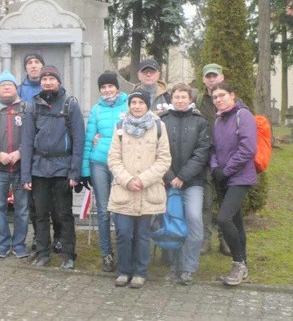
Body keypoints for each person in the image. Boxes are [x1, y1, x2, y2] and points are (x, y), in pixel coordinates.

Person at [21, 65, 84, 269]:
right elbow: (28, 140)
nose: (47, 82)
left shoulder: (70, 104)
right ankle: (42, 254)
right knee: (40, 215)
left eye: (51, 79)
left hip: (62, 168)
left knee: (64, 214)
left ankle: (68, 255)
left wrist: (75, 172)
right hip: (39, 169)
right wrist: (26, 175)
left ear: (59, 81)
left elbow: (78, 140)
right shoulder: (33, 105)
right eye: (44, 79)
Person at [107, 90, 171, 288]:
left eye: (140, 102)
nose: (136, 106)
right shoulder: (119, 127)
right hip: (124, 191)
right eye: (133, 102)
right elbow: (113, 158)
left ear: (147, 105)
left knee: (143, 234)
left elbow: (164, 159)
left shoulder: (159, 127)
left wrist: (143, 180)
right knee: (123, 233)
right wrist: (127, 180)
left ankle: (140, 272)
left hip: (147, 190)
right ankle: (124, 271)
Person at [160, 83, 211, 285]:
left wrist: (182, 176)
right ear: (171, 99)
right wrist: (171, 176)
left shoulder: (200, 122)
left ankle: (188, 267)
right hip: (167, 181)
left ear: (190, 99)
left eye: (184, 97)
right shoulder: (162, 121)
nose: (180, 100)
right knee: (172, 221)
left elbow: (201, 153)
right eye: (176, 97)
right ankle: (174, 265)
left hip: (192, 182)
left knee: (193, 220)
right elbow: (158, 151)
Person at [210, 82, 257, 286]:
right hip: (223, 178)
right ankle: (243, 265)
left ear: (232, 95)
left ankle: (238, 264)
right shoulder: (218, 120)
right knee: (236, 223)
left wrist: (226, 170)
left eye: (222, 95)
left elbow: (248, 149)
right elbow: (213, 149)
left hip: (240, 177)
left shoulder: (243, 115)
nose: (218, 99)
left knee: (223, 218)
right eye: (215, 97)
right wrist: (215, 169)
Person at [81, 71, 128, 272]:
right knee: (103, 210)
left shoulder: (128, 106)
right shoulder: (96, 110)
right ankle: (106, 254)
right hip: (98, 163)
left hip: (121, 165)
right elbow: (89, 139)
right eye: (103, 87)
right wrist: (85, 170)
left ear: (117, 87)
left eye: (110, 86)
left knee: (120, 209)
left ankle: (124, 251)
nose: (107, 90)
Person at [0, 71, 31, 258]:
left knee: (23, 209)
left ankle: (19, 244)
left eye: (10, 84)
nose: (7, 88)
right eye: (3, 85)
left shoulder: (26, 108)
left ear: (16, 88)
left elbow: (32, 135)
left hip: (21, 168)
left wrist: (20, 152)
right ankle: (2, 244)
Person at [18, 53, 62, 252]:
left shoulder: (60, 96)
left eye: (37, 63)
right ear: (26, 68)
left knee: (57, 203)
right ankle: (38, 236)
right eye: (30, 63)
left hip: (54, 156)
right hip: (31, 154)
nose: (33, 66)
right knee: (36, 204)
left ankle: (59, 236)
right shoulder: (19, 90)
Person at [196, 63, 230, 256]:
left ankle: (225, 240)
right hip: (206, 156)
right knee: (206, 202)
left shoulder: (231, 99)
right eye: (208, 76)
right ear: (203, 79)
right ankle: (205, 240)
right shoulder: (198, 100)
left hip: (226, 158)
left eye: (214, 76)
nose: (211, 79)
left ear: (221, 77)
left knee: (226, 200)